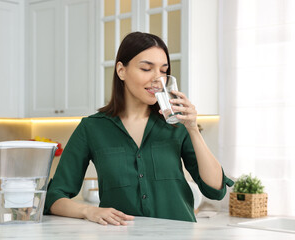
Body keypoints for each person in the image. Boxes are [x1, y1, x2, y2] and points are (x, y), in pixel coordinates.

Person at [44, 31, 234, 225]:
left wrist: (193, 129)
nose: (157, 79)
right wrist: (88, 210)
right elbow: (53, 198)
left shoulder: (177, 123)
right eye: (146, 69)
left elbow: (215, 189)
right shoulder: (92, 128)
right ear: (121, 71)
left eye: (163, 71)